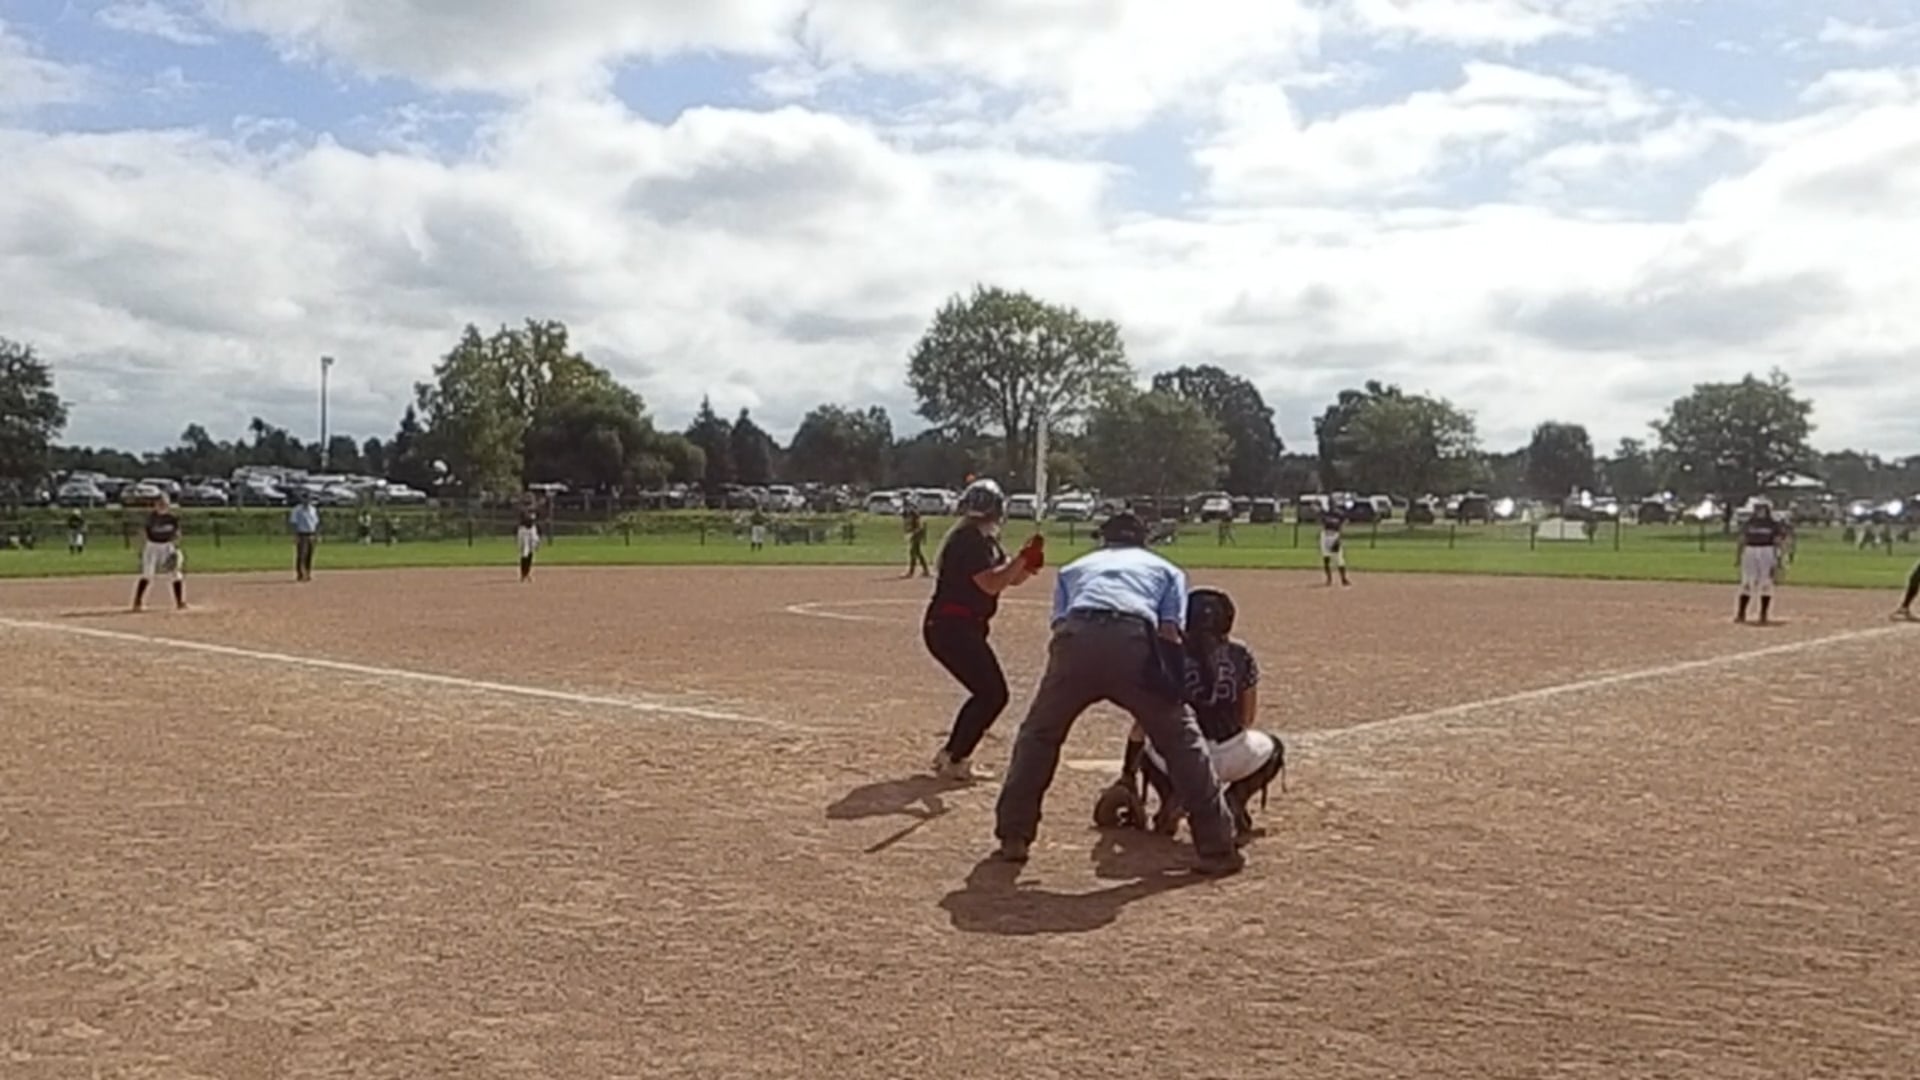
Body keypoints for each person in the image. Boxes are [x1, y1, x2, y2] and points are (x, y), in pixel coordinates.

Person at [992, 511, 1244, 876]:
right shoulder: (1166, 570)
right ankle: (1217, 847)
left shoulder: (1074, 568)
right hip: (1132, 639)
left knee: (1039, 736)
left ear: (1104, 539)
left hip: (1076, 638)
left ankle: (1013, 836)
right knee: (1180, 740)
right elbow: (1170, 632)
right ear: (1143, 540)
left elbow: (1060, 625)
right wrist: (1171, 691)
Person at [1094, 587, 1285, 841]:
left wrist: (1128, 774)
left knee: (1150, 738)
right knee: (1274, 747)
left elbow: (1142, 724)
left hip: (1181, 760)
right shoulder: (1242, 654)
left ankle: (1172, 797)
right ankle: (1234, 800)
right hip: (1233, 756)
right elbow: (1247, 719)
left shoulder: (1166, 656)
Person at [924, 479, 1043, 781]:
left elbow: (1008, 579)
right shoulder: (969, 541)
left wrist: (1027, 565)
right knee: (992, 694)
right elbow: (990, 584)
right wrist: (1021, 559)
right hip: (952, 628)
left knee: (987, 693)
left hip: (959, 628)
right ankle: (955, 758)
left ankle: (951, 754)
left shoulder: (984, 540)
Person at [1736, 499, 1787, 624]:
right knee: (1747, 581)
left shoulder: (1773, 524)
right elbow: (1742, 540)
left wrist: (1780, 558)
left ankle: (1763, 614)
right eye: (1757, 508)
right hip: (1750, 550)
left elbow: (1778, 542)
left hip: (1767, 550)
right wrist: (1738, 556)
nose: (1759, 510)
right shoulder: (1749, 523)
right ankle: (1741, 613)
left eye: (1762, 508)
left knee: (1766, 582)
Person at [132, 494, 187, 612]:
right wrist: (141, 548)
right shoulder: (151, 518)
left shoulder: (172, 518)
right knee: (147, 574)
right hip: (152, 546)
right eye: (159, 504)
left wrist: (176, 548)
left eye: (164, 503)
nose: (162, 506)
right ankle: (137, 601)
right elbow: (144, 533)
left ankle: (180, 602)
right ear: (155, 505)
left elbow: (177, 533)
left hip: (167, 546)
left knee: (175, 574)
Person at [289, 495, 319, 582]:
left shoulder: (313, 510)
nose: (307, 501)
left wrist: (316, 535)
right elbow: (294, 523)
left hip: (311, 533)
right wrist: (295, 535)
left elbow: (316, 523)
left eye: (308, 499)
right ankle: (301, 574)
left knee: (310, 554)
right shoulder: (297, 510)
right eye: (305, 499)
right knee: (302, 554)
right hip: (302, 534)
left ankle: (308, 573)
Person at [1320, 501, 1350, 586]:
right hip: (1326, 536)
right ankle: (1329, 579)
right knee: (1326, 558)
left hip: (1335, 535)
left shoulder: (1339, 514)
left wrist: (1339, 537)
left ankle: (1343, 579)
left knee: (1339, 559)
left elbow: (1345, 522)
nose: (1332, 506)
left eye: (1333, 504)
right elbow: (1322, 523)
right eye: (1330, 504)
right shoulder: (1325, 514)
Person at [516, 496, 540, 582]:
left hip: (532, 529)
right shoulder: (522, 509)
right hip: (524, 530)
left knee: (531, 551)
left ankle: (528, 573)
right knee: (525, 552)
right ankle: (523, 573)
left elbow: (536, 517)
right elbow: (526, 519)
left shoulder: (534, 509)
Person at [903, 508, 930, 578]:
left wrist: (912, 534)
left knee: (913, 554)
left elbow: (919, 529)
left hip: (916, 539)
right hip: (916, 539)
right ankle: (926, 571)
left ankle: (911, 572)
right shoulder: (916, 521)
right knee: (918, 554)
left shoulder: (917, 521)